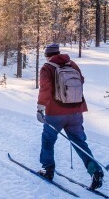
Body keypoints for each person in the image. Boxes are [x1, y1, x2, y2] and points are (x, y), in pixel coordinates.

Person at [36, 43, 104, 190]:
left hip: (55, 113)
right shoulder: (72, 64)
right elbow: (81, 80)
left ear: (47, 55)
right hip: (76, 112)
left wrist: (40, 107)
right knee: (80, 143)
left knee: (48, 141)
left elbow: (45, 88)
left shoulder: (47, 67)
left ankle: (47, 170)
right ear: (58, 52)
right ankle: (95, 171)